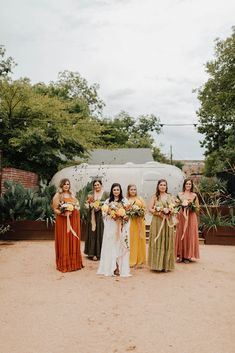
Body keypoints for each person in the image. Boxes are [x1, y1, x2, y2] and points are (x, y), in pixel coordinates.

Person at [97, 183, 131, 277]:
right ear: (112, 191)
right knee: (111, 246)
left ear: (120, 191)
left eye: (118, 190)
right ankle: (113, 267)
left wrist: (124, 217)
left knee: (120, 245)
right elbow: (104, 213)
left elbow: (128, 214)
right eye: (114, 190)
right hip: (111, 227)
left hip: (121, 227)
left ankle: (120, 267)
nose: (116, 191)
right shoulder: (108, 201)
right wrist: (112, 215)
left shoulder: (125, 201)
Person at [52, 178, 83, 272]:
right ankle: (64, 263)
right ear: (61, 185)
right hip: (63, 221)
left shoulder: (72, 194)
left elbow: (77, 205)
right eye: (64, 184)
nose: (66, 186)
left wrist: (75, 208)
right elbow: (55, 209)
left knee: (72, 239)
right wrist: (63, 213)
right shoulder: (58, 195)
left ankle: (74, 263)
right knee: (64, 239)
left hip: (73, 221)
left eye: (68, 184)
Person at [148, 179, 175, 272]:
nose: (163, 186)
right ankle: (156, 264)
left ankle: (166, 265)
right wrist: (159, 213)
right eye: (161, 185)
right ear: (158, 186)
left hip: (167, 221)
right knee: (158, 240)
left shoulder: (170, 196)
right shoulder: (155, 197)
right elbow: (150, 209)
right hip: (157, 221)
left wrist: (170, 211)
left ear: (166, 186)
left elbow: (174, 208)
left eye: (164, 185)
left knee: (167, 241)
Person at [175, 178, 200, 263]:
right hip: (181, 216)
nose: (188, 185)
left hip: (191, 217)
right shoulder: (179, 194)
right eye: (187, 184)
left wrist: (191, 206)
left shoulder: (194, 195)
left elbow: (198, 208)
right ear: (184, 185)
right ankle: (180, 255)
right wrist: (181, 206)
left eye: (189, 184)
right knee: (181, 234)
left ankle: (188, 256)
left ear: (192, 185)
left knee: (190, 234)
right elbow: (176, 205)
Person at [84, 179, 106, 261]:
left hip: (101, 216)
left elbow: (107, 203)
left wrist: (100, 207)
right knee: (92, 232)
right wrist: (91, 205)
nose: (97, 186)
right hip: (92, 215)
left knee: (100, 232)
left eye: (98, 185)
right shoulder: (90, 193)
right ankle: (92, 253)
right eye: (95, 185)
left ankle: (100, 253)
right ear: (93, 186)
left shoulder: (105, 193)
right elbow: (87, 203)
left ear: (101, 185)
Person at [127, 184, 146, 268]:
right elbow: (125, 210)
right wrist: (131, 212)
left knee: (139, 239)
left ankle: (140, 259)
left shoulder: (140, 199)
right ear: (128, 191)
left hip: (140, 222)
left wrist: (140, 212)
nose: (133, 191)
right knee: (132, 239)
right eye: (131, 189)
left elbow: (145, 209)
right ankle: (131, 259)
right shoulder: (126, 200)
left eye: (134, 189)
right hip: (131, 222)